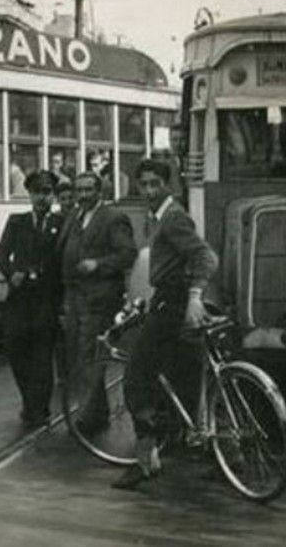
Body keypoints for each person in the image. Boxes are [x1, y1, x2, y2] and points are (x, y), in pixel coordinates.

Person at [112, 158, 217, 489]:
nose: (148, 191)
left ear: (169, 184)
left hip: (172, 305)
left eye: (155, 184)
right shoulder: (158, 217)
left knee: (134, 379)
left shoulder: (172, 218)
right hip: (166, 300)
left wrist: (195, 296)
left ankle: (146, 461)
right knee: (180, 377)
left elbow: (205, 257)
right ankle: (209, 449)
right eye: (143, 185)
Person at [59, 171, 137, 433]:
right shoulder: (74, 216)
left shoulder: (113, 218)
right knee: (79, 356)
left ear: (99, 191)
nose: (82, 195)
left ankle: (89, 418)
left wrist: (98, 264)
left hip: (99, 299)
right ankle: (96, 413)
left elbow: (128, 254)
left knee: (90, 356)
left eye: (87, 190)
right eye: (78, 190)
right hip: (75, 297)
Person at [0, 171, 64, 427]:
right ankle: (28, 400)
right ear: (30, 195)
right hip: (20, 297)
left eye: (46, 193)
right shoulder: (17, 222)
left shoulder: (62, 222)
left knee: (42, 355)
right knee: (16, 349)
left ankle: (39, 408)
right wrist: (11, 274)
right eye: (36, 193)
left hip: (47, 297)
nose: (41, 198)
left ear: (53, 195)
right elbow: (1, 254)